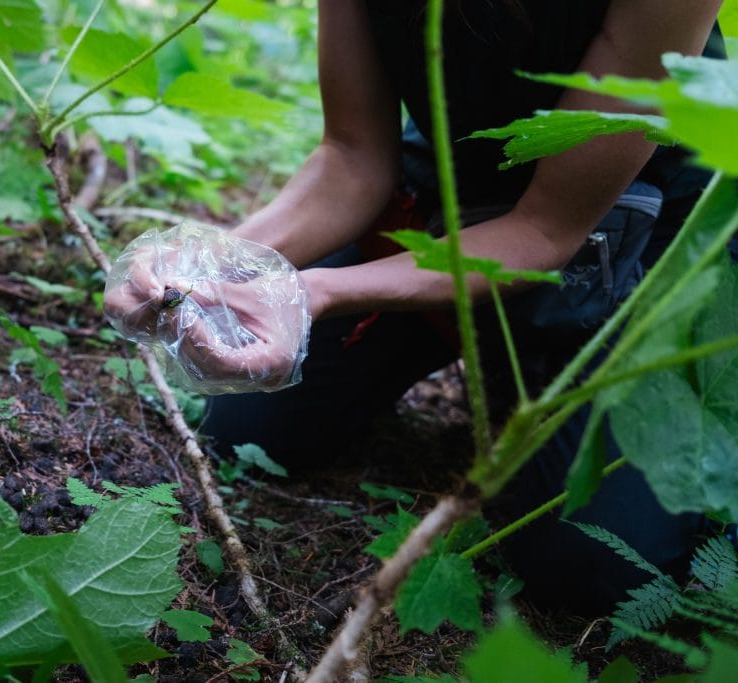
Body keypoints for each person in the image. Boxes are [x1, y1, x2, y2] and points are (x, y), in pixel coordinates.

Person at [106, 1, 727, 614]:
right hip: (448, 195)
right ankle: (490, 351)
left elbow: (545, 231)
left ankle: (553, 369)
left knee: (596, 569)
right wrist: (207, 266)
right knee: (244, 426)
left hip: (633, 239)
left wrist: (316, 292)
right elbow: (351, 159)